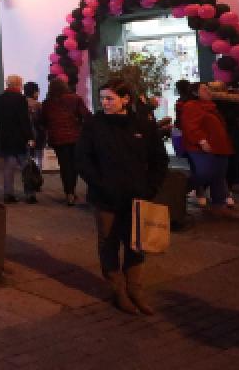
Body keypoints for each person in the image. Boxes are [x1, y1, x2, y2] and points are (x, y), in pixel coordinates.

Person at [79, 80, 168, 315]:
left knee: (136, 243)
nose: (105, 103)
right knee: (108, 242)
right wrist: (100, 183)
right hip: (105, 197)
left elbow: (159, 159)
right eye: (103, 99)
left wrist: (150, 188)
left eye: (110, 98)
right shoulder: (94, 125)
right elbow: (84, 160)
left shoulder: (143, 126)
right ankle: (118, 290)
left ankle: (135, 290)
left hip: (137, 196)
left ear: (125, 99)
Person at [175, 80, 235, 217]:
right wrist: (201, 141)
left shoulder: (211, 106)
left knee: (219, 176)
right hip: (202, 148)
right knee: (205, 173)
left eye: (208, 89)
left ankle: (219, 205)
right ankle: (179, 189)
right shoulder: (191, 106)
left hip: (219, 146)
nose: (208, 91)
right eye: (204, 89)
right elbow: (190, 126)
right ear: (195, 92)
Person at [40, 78, 91, 205]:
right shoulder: (75, 99)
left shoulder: (47, 103)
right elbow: (87, 116)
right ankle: (80, 191)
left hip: (57, 139)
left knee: (65, 166)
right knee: (77, 164)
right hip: (75, 137)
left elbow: (42, 120)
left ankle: (69, 193)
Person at [0, 76, 38, 204]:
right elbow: (24, 121)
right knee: (26, 166)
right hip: (20, 138)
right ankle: (30, 194)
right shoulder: (21, 99)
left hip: (6, 137)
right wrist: (29, 137)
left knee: (8, 167)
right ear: (18, 85)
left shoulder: (0, 98)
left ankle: (8, 194)